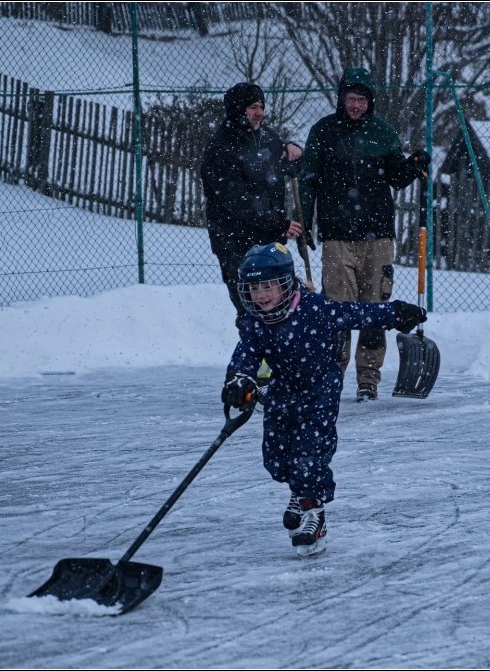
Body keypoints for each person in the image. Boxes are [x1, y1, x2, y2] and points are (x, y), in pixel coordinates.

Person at [221, 242, 427, 556]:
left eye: (267, 286)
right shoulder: (255, 324)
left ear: (286, 282)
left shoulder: (313, 308)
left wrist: (396, 313)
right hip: (282, 392)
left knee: (308, 456)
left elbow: (358, 312)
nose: (260, 295)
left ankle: (314, 513)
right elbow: (245, 357)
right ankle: (299, 493)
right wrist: (239, 380)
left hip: (319, 391)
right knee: (275, 459)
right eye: (253, 288)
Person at [297, 67, 431, 402]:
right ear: (341, 98)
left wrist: (415, 163)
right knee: (337, 309)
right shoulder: (324, 132)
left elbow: (397, 178)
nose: (356, 105)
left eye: (362, 99)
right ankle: (333, 374)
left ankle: (368, 379)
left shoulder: (383, 133)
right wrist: (304, 222)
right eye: (351, 98)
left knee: (376, 306)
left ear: (370, 101)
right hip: (337, 236)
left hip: (378, 236)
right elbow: (308, 179)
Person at [200, 82, 305, 330]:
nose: (259, 113)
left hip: (268, 241)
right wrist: (278, 223)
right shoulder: (221, 148)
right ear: (238, 109)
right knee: (251, 306)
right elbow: (234, 202)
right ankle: (255, 363)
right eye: (252, 107)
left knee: (279, 305)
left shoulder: (267, 138)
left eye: (261, 106)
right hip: (235, 242)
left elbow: (289, 166)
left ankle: (275, 360)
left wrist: (294, 151)